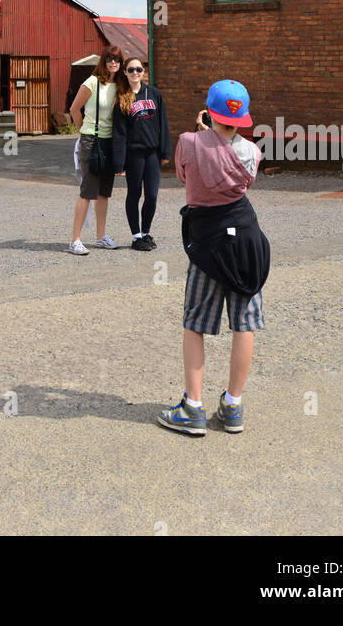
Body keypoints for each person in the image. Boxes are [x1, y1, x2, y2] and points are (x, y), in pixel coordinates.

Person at [157, 78, 270, 436]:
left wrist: (204, 134)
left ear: (209, 109)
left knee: (196, 323)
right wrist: (217, 137)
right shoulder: (253, 152)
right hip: (245, 240)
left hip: (208, 243)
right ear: (244, 118)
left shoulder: (189, 143)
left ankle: (193, 407)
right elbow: (237, 174)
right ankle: (233, 405)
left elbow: (184, 175)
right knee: (245, 323)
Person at [68, 46, 123, 255]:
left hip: (110, 142)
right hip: (91, 140)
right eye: (109, 59)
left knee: (104, 193)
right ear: (104, 61)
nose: (113, 63)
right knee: (87, 191)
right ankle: (75, 240)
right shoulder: (92, 82)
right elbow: (74, 109)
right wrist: (83, 131)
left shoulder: (119, 85)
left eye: (117, 60)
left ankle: (100, 237)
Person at [111, 57, 170, 250]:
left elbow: (163, 124)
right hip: (133, 155)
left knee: (152, 195)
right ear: (125, 73)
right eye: (131, 70)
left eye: (138, 69)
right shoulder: (122, 96)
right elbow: (119, 132)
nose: (135, 73)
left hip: (152, 153)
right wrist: (119, 163)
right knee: (134, 194)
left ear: (143, 72)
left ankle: (146, 233)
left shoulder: (154, 94)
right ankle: (136, 236)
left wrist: (165, 150)